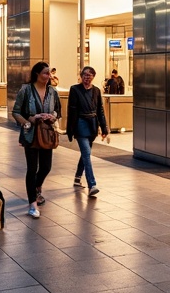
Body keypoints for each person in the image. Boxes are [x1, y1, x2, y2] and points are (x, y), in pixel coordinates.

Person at [12, 62, 60, 218]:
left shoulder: (52, 91)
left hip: (46, 133)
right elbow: (16, 112)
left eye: (49, 74)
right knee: (32, 168)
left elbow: (57, 110)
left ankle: (37, 187)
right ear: (37, 74)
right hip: (31, 134)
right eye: (45, 73)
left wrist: (52, 117)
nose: (48, 76)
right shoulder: (25, 90)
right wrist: (30, 120)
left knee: (46, 167)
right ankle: (32, 204)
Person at [66, 66, 110, 197]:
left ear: (93, 77)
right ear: (81, 76)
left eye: (90, 75)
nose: (87, 77)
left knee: (86, 153)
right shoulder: (75, 89)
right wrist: (70, 129)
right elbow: (71, 110)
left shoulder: (96, 90)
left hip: (92, 125)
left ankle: (77, 177)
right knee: (86, 153)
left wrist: (104, 127)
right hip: (80, 124)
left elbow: (100, 110)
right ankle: (92, 184)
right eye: (85, 75)